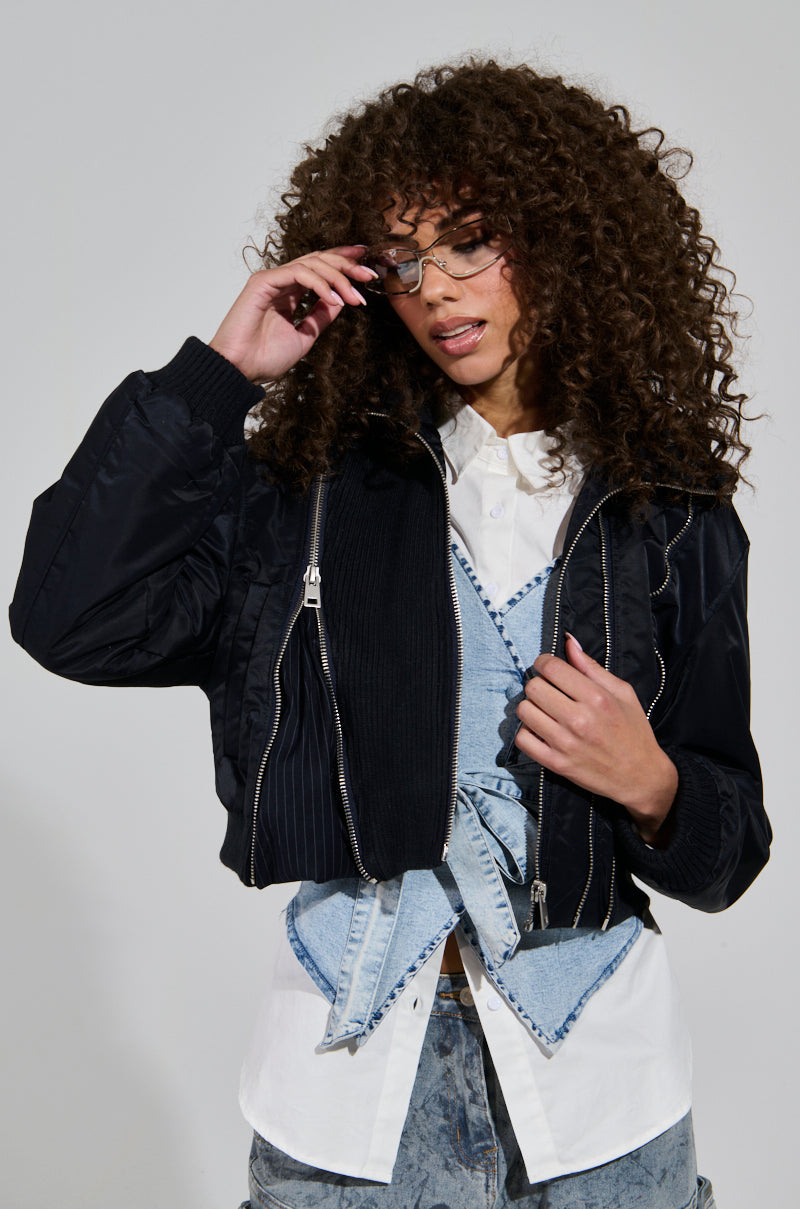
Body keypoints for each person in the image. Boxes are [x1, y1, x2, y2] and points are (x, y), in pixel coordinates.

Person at [10, 59, 770, 1209]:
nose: (435, 290)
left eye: (469, 243)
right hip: (344, 1097)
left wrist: (654, 785)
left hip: (598, 1100)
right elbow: (69, 618)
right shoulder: (308, 501)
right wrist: (218, 380)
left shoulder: (668, 511)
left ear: (563, 237)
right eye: (403, 259)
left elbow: (731, 847)